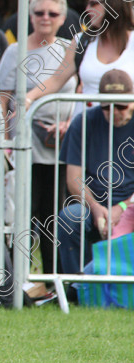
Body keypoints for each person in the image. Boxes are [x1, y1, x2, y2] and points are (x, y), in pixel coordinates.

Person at [0, 0, 75, 275]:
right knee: (23, 213)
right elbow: (2, 98)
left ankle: (54, 276)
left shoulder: (70, 49)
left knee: (54, 213)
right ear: (29, 16)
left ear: (63, 17)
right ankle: (18, 276)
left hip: (62, 144)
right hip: (24, 144)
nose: (45, 18)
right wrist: (2, 140)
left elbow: (80, 90)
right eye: (39, 12)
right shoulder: (13, 51)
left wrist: (70, 123)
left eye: (52, 14)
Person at [56, 70, 134, 276]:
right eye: (107, 107)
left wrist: (123, 208)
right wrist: (95, 207)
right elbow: (74, 177)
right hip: (93, 204)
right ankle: (78, 285)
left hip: (131, 205)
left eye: (121, 106)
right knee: (69, 217)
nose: (115, 112)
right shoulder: (83, 122)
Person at [26, 0, 134, 118]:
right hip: (86, 129)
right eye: (87, 3)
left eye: (93, 4)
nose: (87, 9)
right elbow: (56, 80)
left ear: (112, 4)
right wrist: (29, 97)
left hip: (126, 130)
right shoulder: (81, 41)